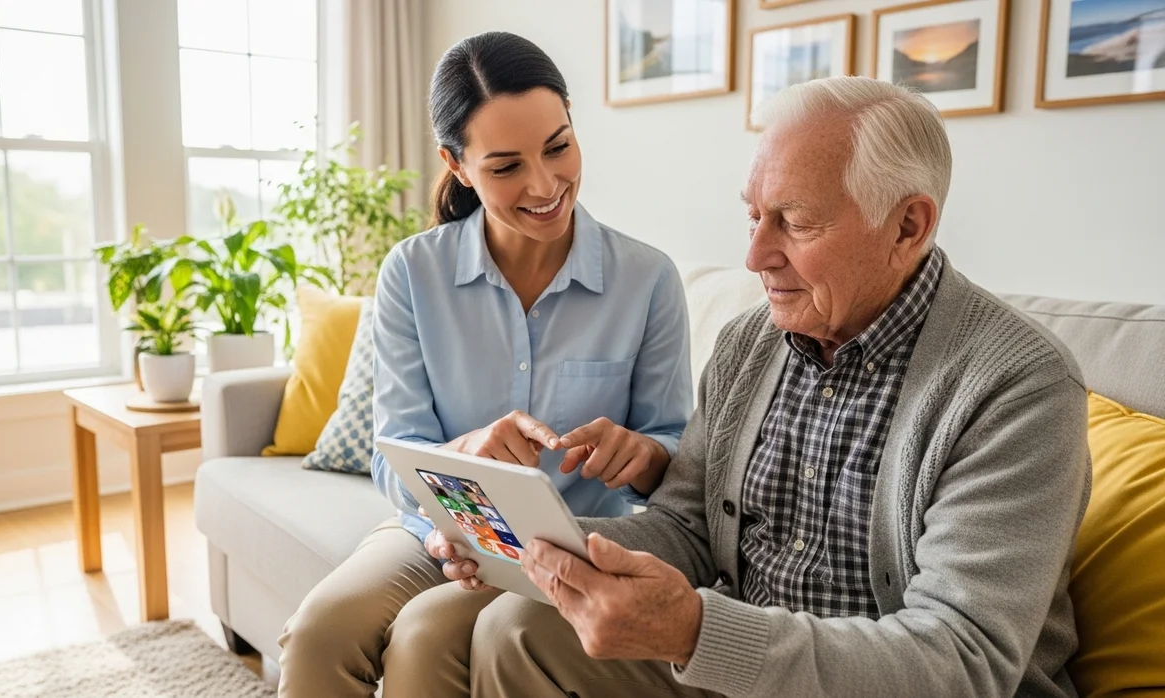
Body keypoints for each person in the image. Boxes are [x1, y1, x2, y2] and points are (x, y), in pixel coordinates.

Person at [416, 76, 1092, 698]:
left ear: (908, 226)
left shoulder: (1018, 387)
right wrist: (527, 545)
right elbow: (686, 528)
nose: (754, 256)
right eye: (754, 216)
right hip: (739, 666)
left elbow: (962, 659)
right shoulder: (749, 344)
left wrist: (694, 631)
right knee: (516, 628)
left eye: (794, 224)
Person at [275, 31, 694, 697]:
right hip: (432, 532)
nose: (545, 184)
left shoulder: (647, 280)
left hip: (566, 548)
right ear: (457, 164)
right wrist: (464, 458)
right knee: (316, 635)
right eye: (505, 167)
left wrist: (640, 455)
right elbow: (393, 455)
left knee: (423, 639)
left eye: (558, 147)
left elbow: (676, 452)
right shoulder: (413, 273)